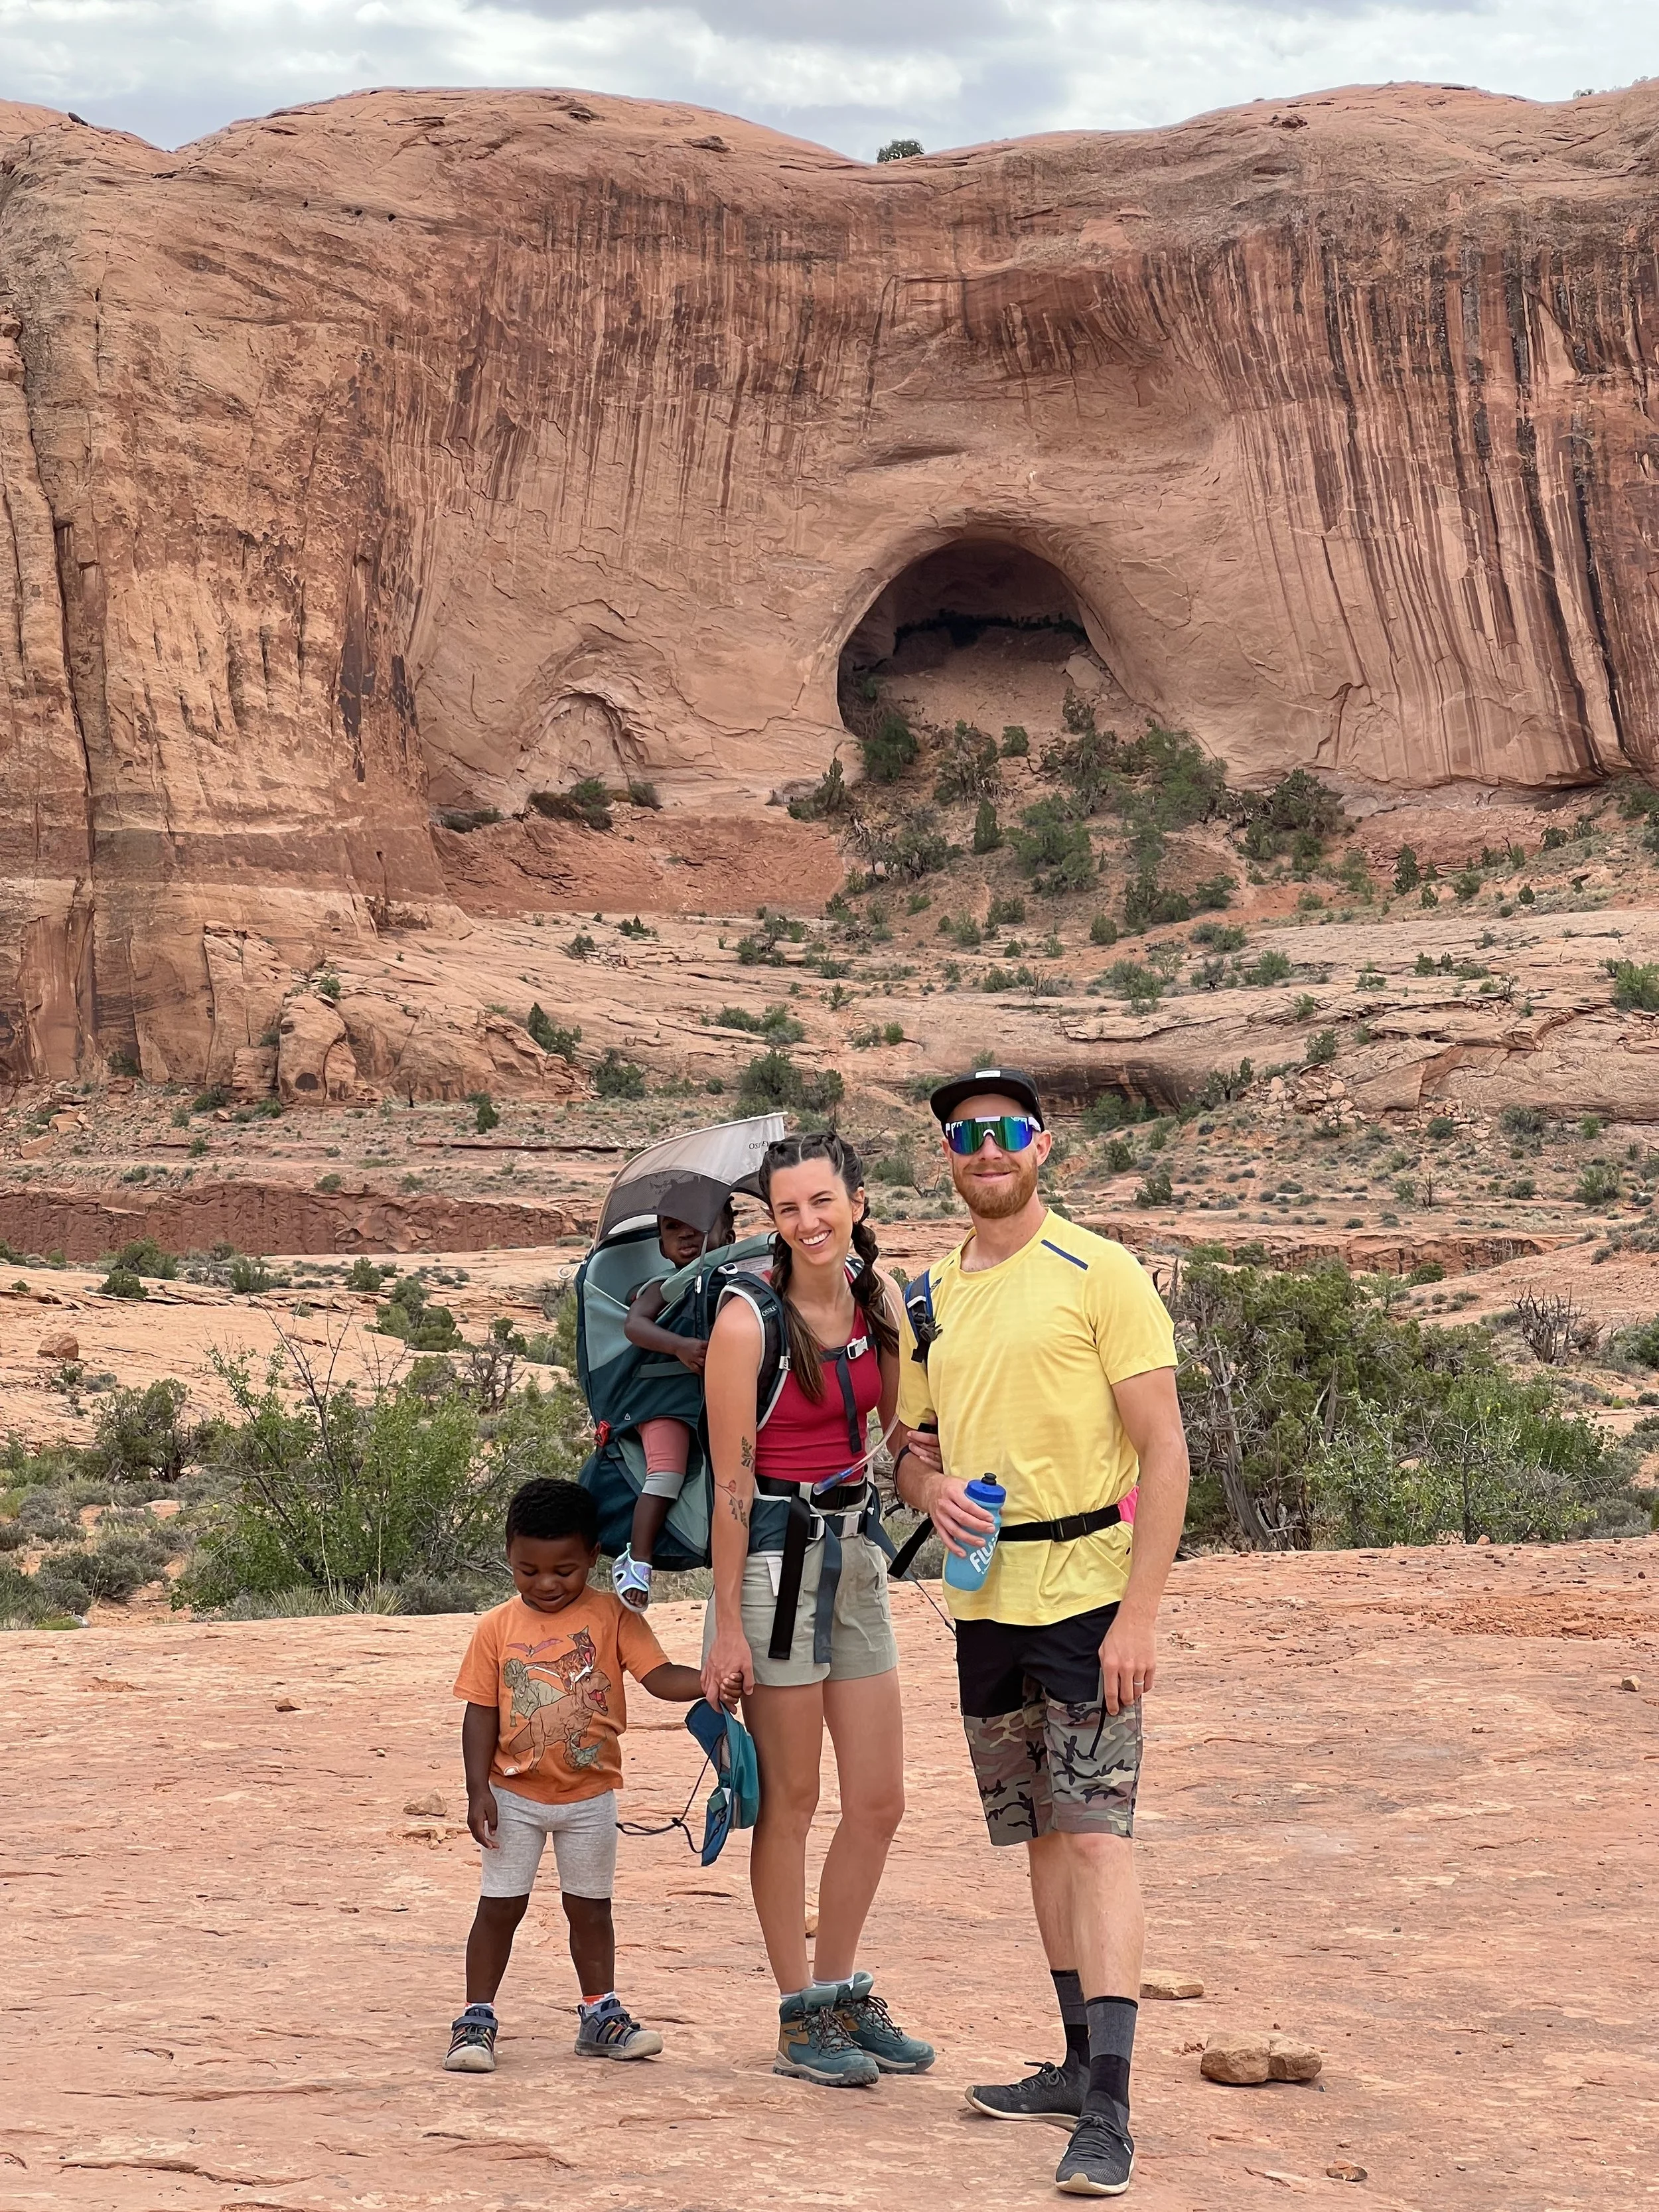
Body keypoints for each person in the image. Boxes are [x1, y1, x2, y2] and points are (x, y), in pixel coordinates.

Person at [893, 1069, 1189, 2198]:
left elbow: (1165, 1452)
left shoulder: (1099, 1271)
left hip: (1088, 1600)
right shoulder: (929, 1296)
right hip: (984, 1600)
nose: (986, 1148)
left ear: (1043, 1144)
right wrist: (927, 1489)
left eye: (1006, 1130)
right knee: (1041, 1834)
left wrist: (1141, 1613)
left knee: (1101, 1830)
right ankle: (1073, 2061)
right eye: (965, 1135)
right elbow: (909, 1441)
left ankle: (1110, 2108)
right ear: (949, 1155)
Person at [699, 1130, 934, 2089]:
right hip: (773, 1570)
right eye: (788, 1208)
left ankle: (840, 1992)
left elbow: (898, 1441)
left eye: (823, 1202)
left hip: (858, 1560)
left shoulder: (877, 1301)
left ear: (858, 1203)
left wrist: (942, 1493)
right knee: (790, 1801)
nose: (808, 1222)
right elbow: (729, 1485)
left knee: (879, 1798)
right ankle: (801, 2015)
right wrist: (722, 1623)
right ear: (771, 1220)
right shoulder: (747, 1323)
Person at [446, 1477, 706, 2073]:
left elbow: (659, 1676)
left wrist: (710, 1681)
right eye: (527, 1569)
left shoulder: (614, 1617)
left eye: (564, 1569)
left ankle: (600, 2014)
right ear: (509, 1555)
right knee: (499, 1906)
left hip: (591, 1798)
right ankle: (475, 2019)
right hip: (513, 1795)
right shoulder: (495, 1629)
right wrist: (476, 1788)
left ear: (594, 1556)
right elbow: (480, 1710)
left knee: (590, 1908)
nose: (545, 1583)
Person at [612, 1191, 737, 1612]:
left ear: (729, 1232)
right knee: (666, 1474)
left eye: (697, 1226)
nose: (685, 1235)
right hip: (662, 1401)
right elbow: (635, 1326)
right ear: (661, 1245)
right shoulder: (661, 1288)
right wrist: (681, 1346)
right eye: (672, 1229)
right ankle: (639, 1559)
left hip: (708, 1401)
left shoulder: (741, 1281)